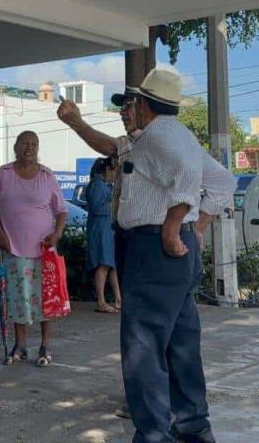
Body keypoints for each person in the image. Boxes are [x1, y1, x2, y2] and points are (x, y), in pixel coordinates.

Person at [58, 69, 236, 443]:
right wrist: (196, 228)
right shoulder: (164, 137)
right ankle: (193, 427)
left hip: (155, 249)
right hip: (171, 256)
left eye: (128, 104)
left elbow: (188, 176)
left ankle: (155, 435)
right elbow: (222, 183)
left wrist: (174, 226)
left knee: (144, 349)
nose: (125, 111)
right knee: (182, 345)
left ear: (143, 104)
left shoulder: (159, 138)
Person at [0, 131, 68, 367]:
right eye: (24, 143)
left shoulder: (46, 174)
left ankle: (45, 344)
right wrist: (0, 234)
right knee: (17, 296)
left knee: (45, 297)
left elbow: (61, 210)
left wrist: (57, 233)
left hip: (43, 247)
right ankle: (20, 345)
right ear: (15, 147)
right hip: (12, 245)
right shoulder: (5, 173)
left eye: (34, 144)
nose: (29, 148)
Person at [85, 157, 121, 314]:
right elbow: (97, 207)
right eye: (114, 171)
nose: (116, 174)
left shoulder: (103, 185)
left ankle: (118, 298)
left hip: (107, 227)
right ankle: (101, 301)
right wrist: (115, 206)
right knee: (103, 263)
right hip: (100, 228)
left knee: (110, 263)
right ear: (107, 170)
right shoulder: (97, 185)